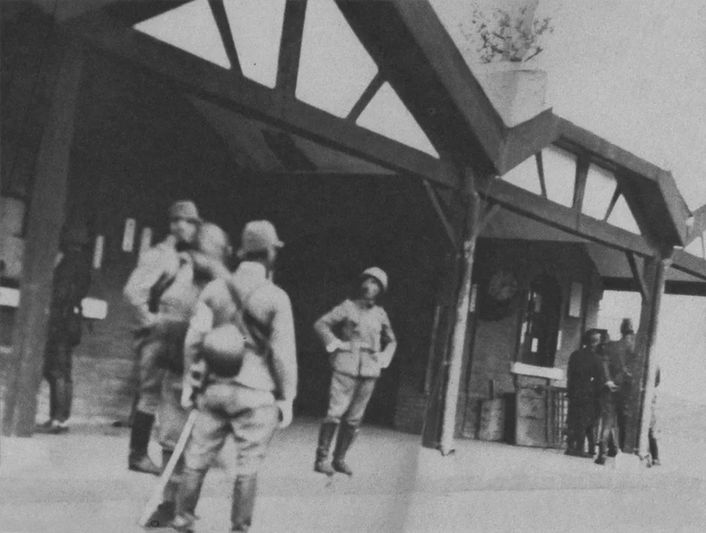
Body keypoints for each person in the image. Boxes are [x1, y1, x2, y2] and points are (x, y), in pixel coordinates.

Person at [173, 220, 297, 533]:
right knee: (248, 465)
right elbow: (282, 354)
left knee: (196, 458)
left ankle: (182, 519)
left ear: (243, 251)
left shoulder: (214, 289)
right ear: (269, 253)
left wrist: (189, 383)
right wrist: (287, 397)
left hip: (214, 387)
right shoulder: (276, 297)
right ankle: (239, 529)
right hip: (256, 393)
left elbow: (193, 340)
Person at [143, 222, 231, 528]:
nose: (200, 257)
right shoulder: (180, 277)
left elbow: (241, 335)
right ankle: (169, 504)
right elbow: (160, 308)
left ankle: (185, 510)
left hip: (206, 377)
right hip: (173, 370)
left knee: (197, 449)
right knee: (170, 442)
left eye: (207, 250)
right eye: (198, 249)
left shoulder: (225, 288)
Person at [123, 200, 201, 475]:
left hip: (179, 333)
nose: (187, 227)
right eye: (182, 221)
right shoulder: (160, 255)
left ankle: (170, 451)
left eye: (191, 222)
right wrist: (152, 321)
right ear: (173, 224)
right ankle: (138, 455)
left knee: (168, 393)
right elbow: (133, 292)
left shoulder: (189, 257)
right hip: (160, 333)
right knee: (151, 394)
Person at [313, 267, 397, 476]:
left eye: (376, 283)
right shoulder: (347, 307)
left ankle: (339, 459)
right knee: (334, 414)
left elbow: (392, 340)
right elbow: (321, 324)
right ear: (361, 284)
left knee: (354, 420)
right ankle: (321, 459)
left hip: (369, 370)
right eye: (368, 281)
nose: (370, 286)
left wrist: (385, 356)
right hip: (346, 366)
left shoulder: (380, 314)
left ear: (381, 290)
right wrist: (335, 343)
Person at [36, 226, 92, 434]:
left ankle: (57, 419)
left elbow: (60, 294)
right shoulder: (83, 262)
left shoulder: (68, 263)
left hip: (61, 321)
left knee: (56, 370)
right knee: (64, 372)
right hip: (72, 321)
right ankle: (62, 419)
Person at [565, 329, 602, 457]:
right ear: (596, 342)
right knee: (586, 422)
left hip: (574, 391)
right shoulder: (597, 359)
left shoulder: (575, 355)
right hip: (589, 394)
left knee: (573, 420)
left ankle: (571, 446)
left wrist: (570, 391)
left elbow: (569, 375)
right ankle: (582, 449)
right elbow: (599, 379)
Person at [602, 318, 635, 450]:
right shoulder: (636, 348)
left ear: (621, 330)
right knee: (624, 423)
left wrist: (608, 380)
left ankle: (603, 451)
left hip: (611, 388)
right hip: (626, 390)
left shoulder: (611, 346)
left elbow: (604, 364)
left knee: (608, 422)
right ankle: (622, 450)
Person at [648, 366, 661, 466]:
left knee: (649, 433)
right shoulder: (656, 366)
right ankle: (655, 458)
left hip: (650, 410)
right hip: (652, 410)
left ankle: (654, 457)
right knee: (651, 433)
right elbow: (657, 381)